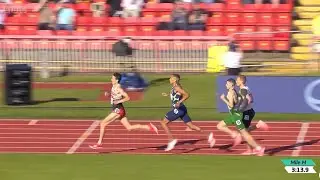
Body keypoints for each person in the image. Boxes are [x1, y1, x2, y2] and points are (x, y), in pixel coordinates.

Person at [89, 73, 158, 149]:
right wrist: (108, 94)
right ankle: (149, 127)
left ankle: (99, 143)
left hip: (118, 110)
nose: (111, 79)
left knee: (103, 123)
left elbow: (128, 98)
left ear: (117, 80)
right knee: (129, 128)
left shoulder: (119, 88)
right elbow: (114, 96)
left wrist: (119, 101)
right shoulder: (114, 87)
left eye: (112, 78)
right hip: (119, 109)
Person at [208, 78, 265, 156]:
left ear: (232, 85)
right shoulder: (234, 91)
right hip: (234, 114)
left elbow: (231, 105)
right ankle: (252, 130)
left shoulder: (231, 93)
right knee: (221, 126)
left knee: (244, 133)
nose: (225, 85)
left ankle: (258, 148)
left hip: (236, 115)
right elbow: (245, 99)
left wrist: (223, 99)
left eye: (227, 84)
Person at [161, 74, 214, 151]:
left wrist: (179, 102)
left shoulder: (177, 87)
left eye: (171, 78)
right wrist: (167, 94)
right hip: (182, 109)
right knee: (191, 126)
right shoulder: (174, 87)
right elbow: (176, 95)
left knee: (163, 123)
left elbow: (187, 94)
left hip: (178, 109)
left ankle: (171, 140)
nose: (169, 79)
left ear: (175, 79)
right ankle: (209, 135)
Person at [236, 75, 269, 155]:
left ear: (241, 81)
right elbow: (252, 99)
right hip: (249, 111)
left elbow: (249, 99)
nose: (236, 81)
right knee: (246, 131)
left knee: (244, 131)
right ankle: (250, 150)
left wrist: (241, 108)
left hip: (247, 112)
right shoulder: (246, 88)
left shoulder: (243, 90)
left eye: (237, 80)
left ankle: (258, 148)